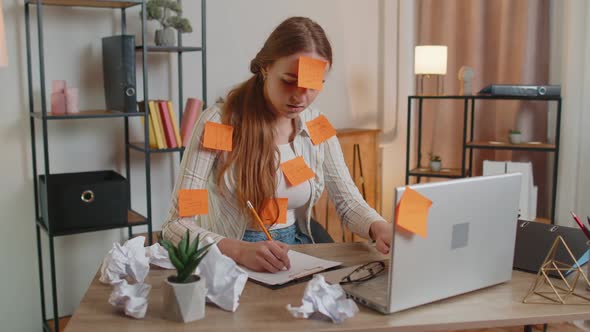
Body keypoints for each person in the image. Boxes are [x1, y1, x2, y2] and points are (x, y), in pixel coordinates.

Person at [162, 16, 392, 273]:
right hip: (231, 258)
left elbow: (349, 202)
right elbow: (177, 225)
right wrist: (238, 250)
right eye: (288, 80)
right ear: (265, 68)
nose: (300, 97)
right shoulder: (219, 124)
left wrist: (379, 226)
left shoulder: (317, 125)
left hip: (299, 252)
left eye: (313, 86)